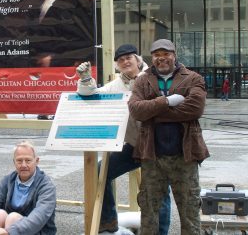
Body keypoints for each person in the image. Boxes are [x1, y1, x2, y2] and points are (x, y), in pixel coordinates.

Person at [76, 44, 171, 234]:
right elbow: (91, 95)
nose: (125, 61)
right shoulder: (116, 85)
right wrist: (86, 79)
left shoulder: (155, 76)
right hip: (135, 146)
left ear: (138, 59)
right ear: (117, 66)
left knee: (159, 192)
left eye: (129, 57)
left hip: (160, 147)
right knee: (100, 171)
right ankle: (109, 221)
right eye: (120, 60)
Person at [128, 39, 209, 235]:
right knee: (148, 209)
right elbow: (136, 110)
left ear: (174, 55)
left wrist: (153, 113)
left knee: (190, 208)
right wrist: (167, 101)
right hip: (152, 156)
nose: (161, 58)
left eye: (166, 53)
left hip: (185, 156)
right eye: (156, 54)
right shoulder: (142, 80)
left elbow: (194, 109)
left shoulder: (193, 78)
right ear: (151, 58)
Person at [0, 141, 57, 235]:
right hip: (7, 230)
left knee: (13, 218)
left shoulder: (47, 185)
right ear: (14, 162)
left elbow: (38, 218)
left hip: (37, 231)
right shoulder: (7, 180)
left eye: (28, 160)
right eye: (19, 161)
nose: (23, 165)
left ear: (36, 161)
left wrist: (9, 232)